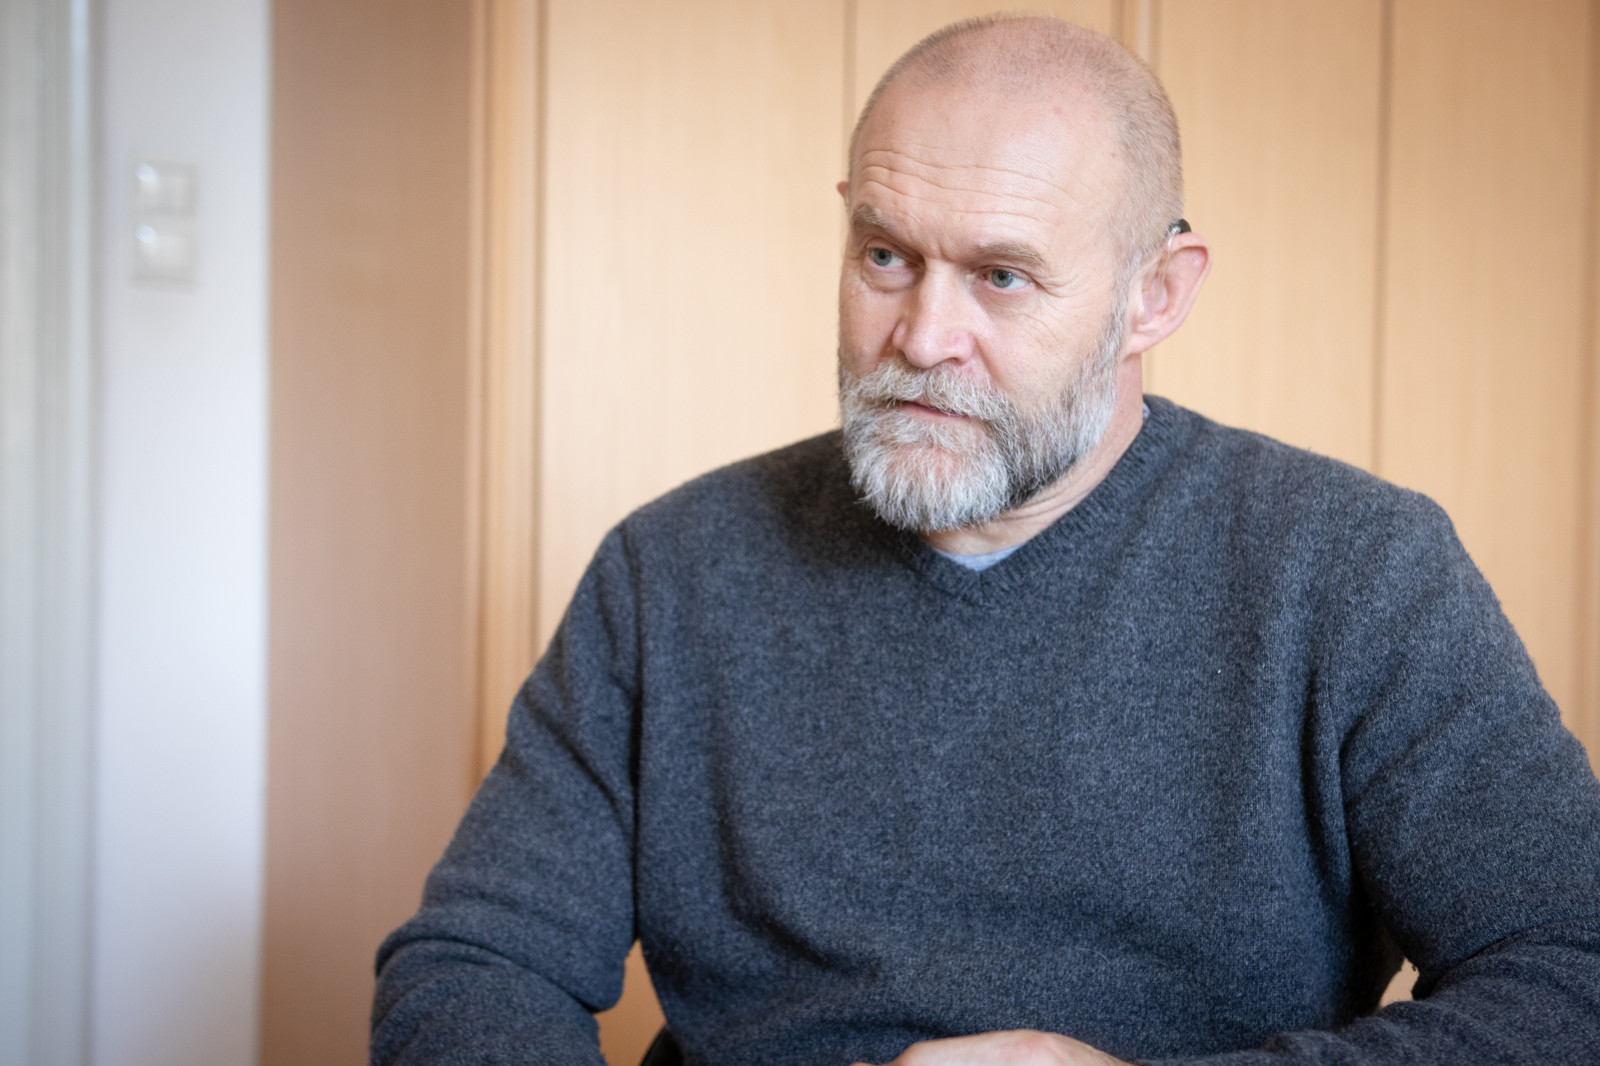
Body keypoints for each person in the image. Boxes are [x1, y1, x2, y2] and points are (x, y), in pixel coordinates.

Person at [371, 16, 1600, 1066]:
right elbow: (472, 964)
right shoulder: (670, 572)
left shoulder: (1354, 571)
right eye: (885, 256)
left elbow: (1569, 971)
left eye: (1002, 277)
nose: (921, 336)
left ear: (1154, 295)